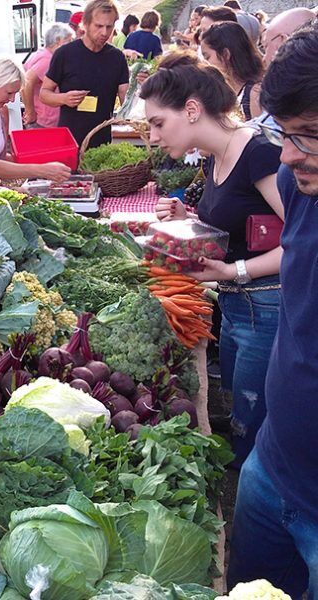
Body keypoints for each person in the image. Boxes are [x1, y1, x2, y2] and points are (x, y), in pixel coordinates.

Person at [140, 52, 283, 470]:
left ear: (191, 109)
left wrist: (233, 271)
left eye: (157, 123)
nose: (152, 136)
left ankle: (263, 515)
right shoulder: (214, 157)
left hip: (269, 306)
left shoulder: (259, 153)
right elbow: (237, 223)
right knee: (243, 413)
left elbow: (305, 239)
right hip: (238, 304)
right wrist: (191, 220)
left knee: (256, 428)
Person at [227, 24, 318, 596]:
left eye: (307, 135)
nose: (286, 154)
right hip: (272, 467)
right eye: (284, 132)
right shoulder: (301, 180)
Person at [0, 57, 70, 181]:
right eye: (9, 93)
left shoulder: (2, 112)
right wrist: (42, 170)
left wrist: (48, 159)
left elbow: (2, 158)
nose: (12, 100)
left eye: (16, 93)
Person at [40, 0, 130, 148]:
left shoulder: (117, 58)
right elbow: (44, 93)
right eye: (99, 26)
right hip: (69, 140)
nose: (104, 32)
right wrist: (64, 98)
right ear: (85, 24)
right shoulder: (65, 54)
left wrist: (139, 86)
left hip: (101, 142)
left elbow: (125, 98)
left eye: (109, 27)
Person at [200, 22, 264, 120]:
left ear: (225, 54)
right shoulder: (220, 90)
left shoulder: (255, 93)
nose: (204, 64)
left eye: (207, 57)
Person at [23, 23, 74, 129]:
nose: (71, 45)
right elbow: (26, 82)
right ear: (58, 41)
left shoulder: (41, 53)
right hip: (44, 121)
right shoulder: (47, 60)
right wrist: (30, 111)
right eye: (69, 41)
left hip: (42, 119)